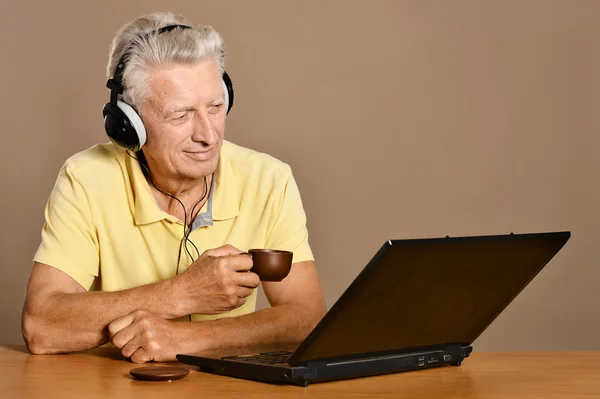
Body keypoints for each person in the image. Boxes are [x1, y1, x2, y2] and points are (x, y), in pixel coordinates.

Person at [21, 11, 326, 363]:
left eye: (215, 106)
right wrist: (181, 294)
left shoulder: (271, 179)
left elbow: (307, 319)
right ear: (128, 124)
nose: (208, 134)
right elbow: (41, 326)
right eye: (180, 116)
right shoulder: (86, 178)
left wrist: (184, 338)